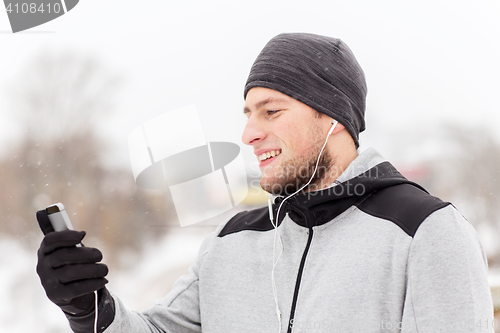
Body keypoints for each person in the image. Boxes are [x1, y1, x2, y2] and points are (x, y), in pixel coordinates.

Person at [36, 33, 494, 333]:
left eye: (271, 111)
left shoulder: (425, 232)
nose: (249, 134)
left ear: (332, 117)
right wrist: (86, 305)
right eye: (248, 113)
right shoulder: (232, 243)